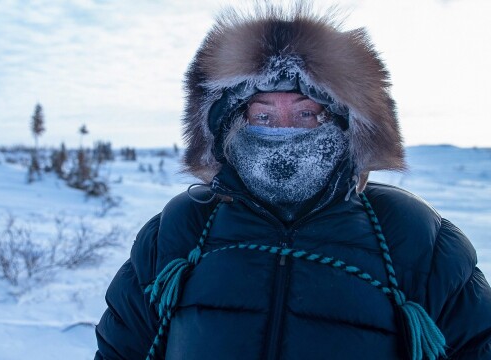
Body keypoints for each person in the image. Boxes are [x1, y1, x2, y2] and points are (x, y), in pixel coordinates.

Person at [95, 3, 491, 359]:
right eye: (263, 117)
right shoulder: (182, 229)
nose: (283, 136)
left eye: (307, 115)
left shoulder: (413, 236)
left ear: (346, 125)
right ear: (230, 125)